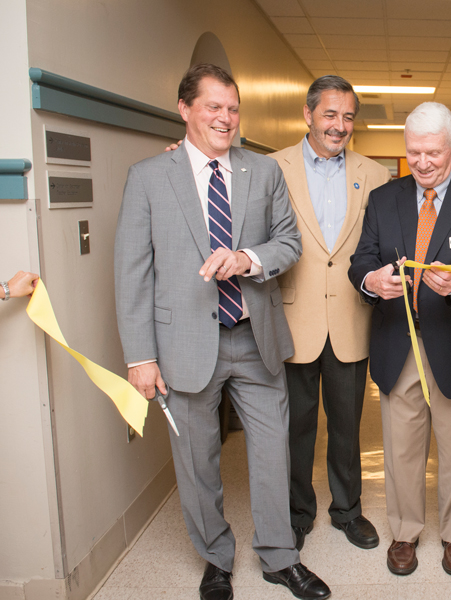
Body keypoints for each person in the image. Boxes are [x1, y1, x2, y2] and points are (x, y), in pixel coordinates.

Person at [114, 63, 330, 600]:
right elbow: (132, 273)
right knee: (197, 460)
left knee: (272, 454)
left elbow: (288, 243)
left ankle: (281, 557)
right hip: (182, 346)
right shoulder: (147, 177)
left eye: (232, 109)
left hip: (254, 338)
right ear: (185, 109)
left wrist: (247, 258)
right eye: (213, 107)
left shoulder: (262, 172)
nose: (225, 118)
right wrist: (140, 356)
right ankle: (215, 558)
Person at [348, 102, 451, 577]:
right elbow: (362, 258)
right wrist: (371, 282)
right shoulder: (384, 198)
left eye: (432, 152)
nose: (422, 162)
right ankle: (404, 532)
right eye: (413, 152)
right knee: (400, 450)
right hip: (400, 342)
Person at [270, 76, 391, 552]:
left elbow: (378, 244)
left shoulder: (375, 173)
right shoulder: (269, 168)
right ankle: (299, 511)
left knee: (347, 426)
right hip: (293, 319)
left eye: (347, 117)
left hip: (350, 320)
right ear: (308, 114)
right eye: (329, 115)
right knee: (295, 426)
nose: (339, 126)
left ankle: (347, 510)